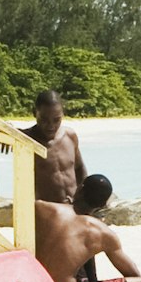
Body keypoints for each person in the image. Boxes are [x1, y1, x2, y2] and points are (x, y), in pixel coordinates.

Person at [26, 88, 82, 216]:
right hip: (48, 213)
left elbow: (79, 168)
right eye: (44, 119)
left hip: (74, 208)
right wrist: (4, 128)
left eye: (56, 120)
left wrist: (83, 199)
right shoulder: (26, 140)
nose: (50, 125)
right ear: (35, 113)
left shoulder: (70, 135)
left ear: (63, 114)